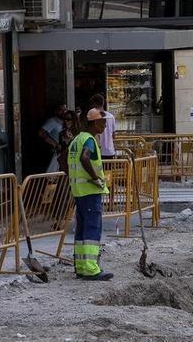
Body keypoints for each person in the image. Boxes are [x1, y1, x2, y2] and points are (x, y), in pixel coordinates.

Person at [67, 109, 113, 281]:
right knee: (92, 229)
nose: (105, 126)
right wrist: (95, 178)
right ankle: (90, 269)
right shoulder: (89, 140)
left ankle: (80, 266)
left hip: (79, 191)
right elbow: (84, 158)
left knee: (81, 230)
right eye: (102, 122)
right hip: (90, 191)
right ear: (94, 123)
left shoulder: (76, 139)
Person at [39, 105, 66, 173]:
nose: (63, 112)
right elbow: (41, 133)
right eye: (61, 110)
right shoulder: (52, 121)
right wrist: (55, 144)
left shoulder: (65, 122)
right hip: (55, 152)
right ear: (56, 111)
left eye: (65, 110)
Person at [89, 94, 116, 159]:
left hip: (97, 151)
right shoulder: (111, 117)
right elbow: (113, 135)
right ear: (103, 103)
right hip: (110, 151)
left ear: (94, 104)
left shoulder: (93, 117)